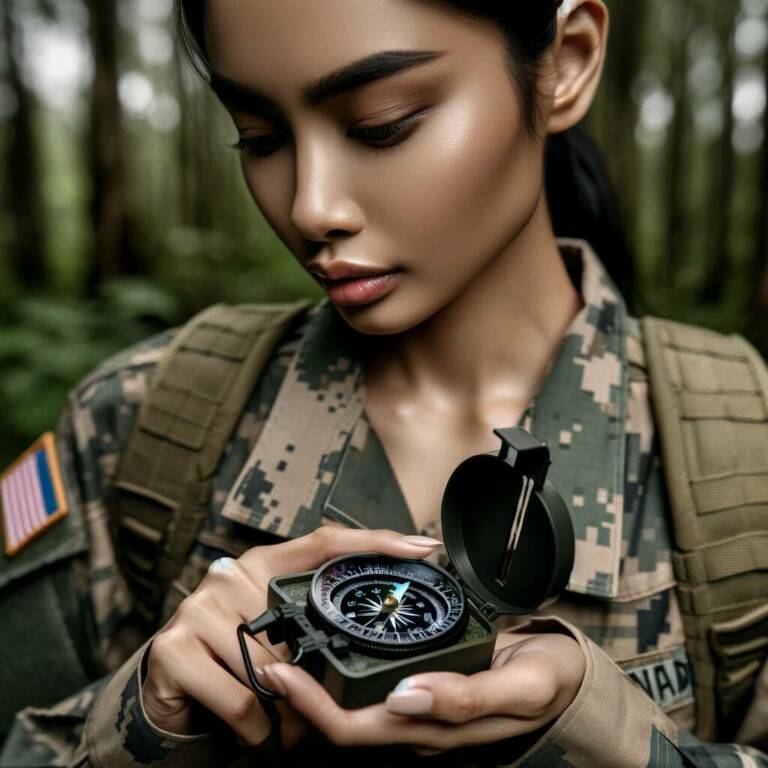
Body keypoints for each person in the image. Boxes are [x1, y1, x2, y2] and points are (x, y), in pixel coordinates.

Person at [0, 0, 767, 765]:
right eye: (260, 137)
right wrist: (151, 719)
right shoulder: (136, 427)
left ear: (564, 65)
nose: (311, 207)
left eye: (382, 125)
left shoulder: (743, 457)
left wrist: (602, 731)